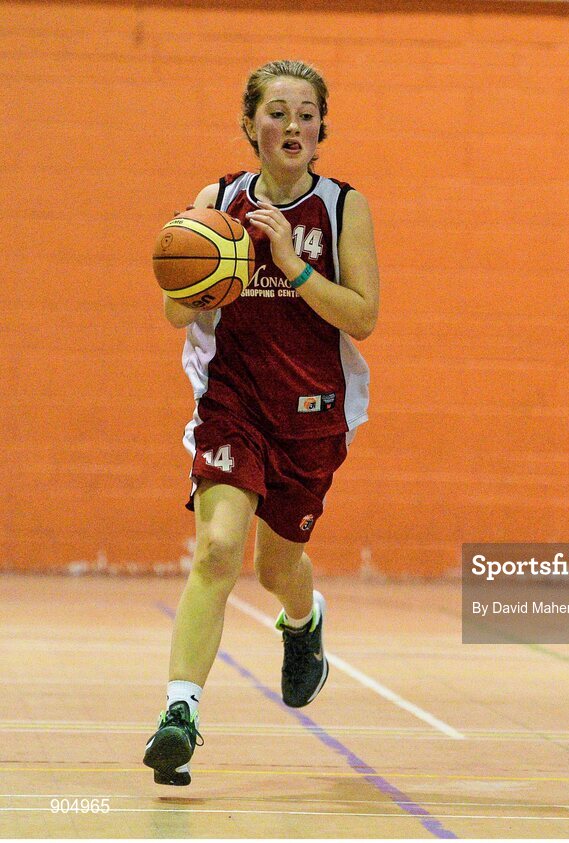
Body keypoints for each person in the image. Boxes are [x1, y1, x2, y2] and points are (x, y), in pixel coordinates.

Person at [144, 59, 380, 786]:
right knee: (218, 549)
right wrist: (209, 268)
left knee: (276, 565)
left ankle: (303, 621)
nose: (294, 126)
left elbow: (363, 318)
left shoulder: (343, 208)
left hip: (312, 412)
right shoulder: (218, 201)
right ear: (250, 126)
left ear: (322, 130)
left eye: (307, 113)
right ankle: (180, 712)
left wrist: (290, 262)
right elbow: (177, 310)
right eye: (278, 112)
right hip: (231, 401)